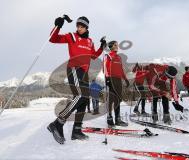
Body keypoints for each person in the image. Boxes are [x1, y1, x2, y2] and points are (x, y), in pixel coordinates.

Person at [47, 16, 106, 144]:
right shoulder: (72, 36)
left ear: (86, 28)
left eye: (82, 26)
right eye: (78, 26)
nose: (79, 28)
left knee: (85, 99)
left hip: (84, 73)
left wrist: (101, 47)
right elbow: (53, 38)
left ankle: (77, 131)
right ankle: (57, 123)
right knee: (80, 96)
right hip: (74, 68)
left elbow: (94, 56)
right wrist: (58, 26)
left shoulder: (90, 41)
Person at [104, 41, 130, 127]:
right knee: (110, 99)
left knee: (118, 100)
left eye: (117, 45)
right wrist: (107, 79)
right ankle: (109, 118)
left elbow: (121, 69)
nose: (117, 46)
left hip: (118, 80)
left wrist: (125, 79)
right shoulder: (107, 56)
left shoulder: (118, 57)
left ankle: (118, 119)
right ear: (111, 46)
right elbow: (105, 68)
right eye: (115, 45)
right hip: (111, 79)